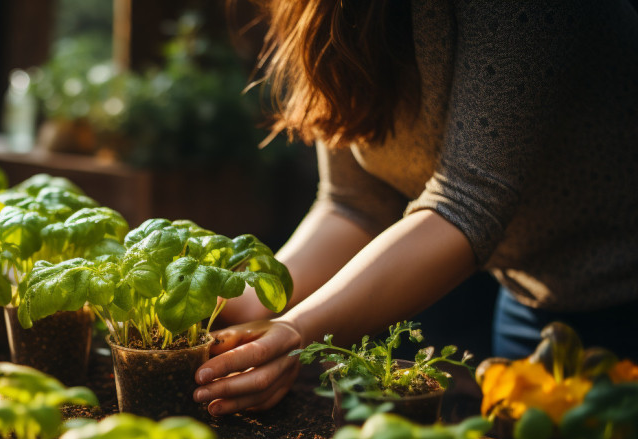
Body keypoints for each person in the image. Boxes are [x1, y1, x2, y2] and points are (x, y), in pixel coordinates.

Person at [194, 0, 638, 416]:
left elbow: (468, 202)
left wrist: (296, 332)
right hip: (529, 296)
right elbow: (354, 204)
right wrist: (249, 300)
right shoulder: (321, 10)